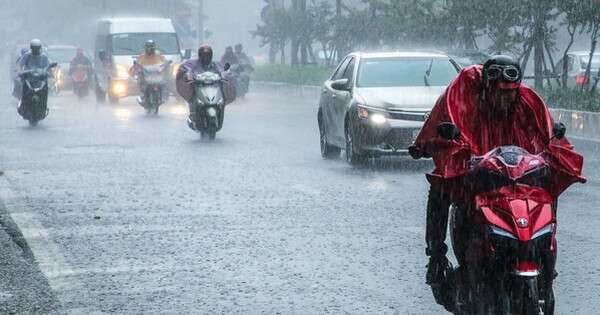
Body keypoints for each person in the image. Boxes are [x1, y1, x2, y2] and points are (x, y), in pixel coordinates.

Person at [409, 55, 585, 309]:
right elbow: (443, 125)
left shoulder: (528, 104)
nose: (504, 98)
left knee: (548, 186)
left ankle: (545, 260)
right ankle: (435, 256)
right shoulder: (465, 98)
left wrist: (552, 150)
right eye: (499, 93)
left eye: (509, 93)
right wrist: (452, 149)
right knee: (440, 186)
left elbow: (547, 138)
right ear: (487, 89)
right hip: (479, 174)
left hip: (519, 178)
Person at [176, 45, 235, 122]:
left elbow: (223, 70)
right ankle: (193, 113)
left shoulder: (215, 64)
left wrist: (226, 75)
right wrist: (187, 74)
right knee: (192, 96)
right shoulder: (193, 63)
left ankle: (220, 111)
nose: (205, 57)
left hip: (213, 87)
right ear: (200, 55)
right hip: (199, 87)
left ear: (211, 55)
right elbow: (184, 67)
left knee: (222, 95)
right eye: (204, 55)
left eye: (207, 55)